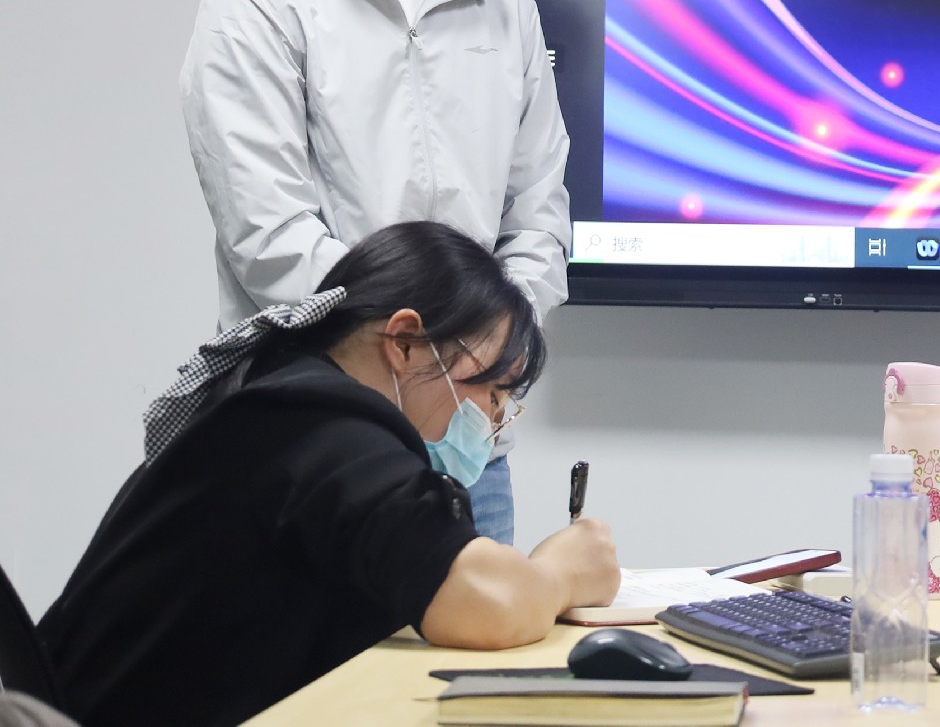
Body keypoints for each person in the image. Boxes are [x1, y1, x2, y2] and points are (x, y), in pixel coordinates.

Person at [179, 0, 569, 543]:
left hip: (471, 449)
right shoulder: (256, 0)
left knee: (483, 631)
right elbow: (272, 239)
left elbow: (539, 216)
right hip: (317, 442)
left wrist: (482, 365)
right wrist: (421, 365)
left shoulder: (506, 6)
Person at [37, 222, 619, 727]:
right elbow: (484, 601)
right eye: (491, 391)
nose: (492, 421)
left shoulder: (283, 401)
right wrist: (560, 572)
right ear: (406, 342)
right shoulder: (322, 427)